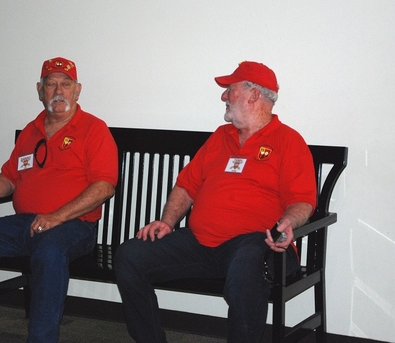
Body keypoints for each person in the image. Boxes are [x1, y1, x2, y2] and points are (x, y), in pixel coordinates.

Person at [114, 61, 317, 343]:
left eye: (230, 90)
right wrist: (167, 221)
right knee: (130, 255)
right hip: (201, 244)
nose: (224, 96)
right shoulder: (220, 138)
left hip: (258, 245)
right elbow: (186, 186)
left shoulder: (288, 141)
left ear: (254, 95)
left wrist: (288, 223)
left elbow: (302, 201)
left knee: (249, 264)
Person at [0, 57, 118, 343]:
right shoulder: (31, 131)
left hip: (74, 226)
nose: (58, 90)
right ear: (39, 89)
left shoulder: (94, 129)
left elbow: (104, 187)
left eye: (65, 84)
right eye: (50, 84)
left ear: (77, 90)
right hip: (25, 223)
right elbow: (9, 179)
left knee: (48, 253)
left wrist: (56, 216)